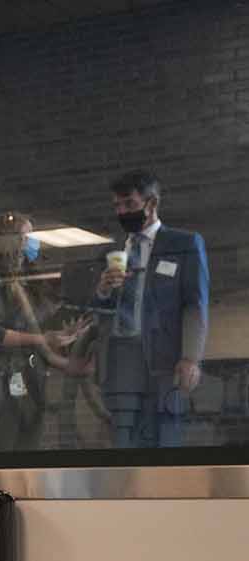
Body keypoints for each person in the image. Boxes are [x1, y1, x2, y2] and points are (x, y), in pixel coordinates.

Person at [91, 170, 210, 448]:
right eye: (117, 206)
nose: (122, 211)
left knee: (164, 442)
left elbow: (195, 304)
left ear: (151, 204)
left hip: (165, 359)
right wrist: (103, 290)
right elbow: (97, 311)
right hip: (120, 358)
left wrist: (191, 357)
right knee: (122, 445)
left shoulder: (184, 244)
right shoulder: (111, 252)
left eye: (129, 204)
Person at [0, 212, 74, 451]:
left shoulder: (22, 281)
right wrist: (41, 339)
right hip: (2, 380)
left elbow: (29, 323)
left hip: (30, 379)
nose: (29, 243)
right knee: (4, 452)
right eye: (25, 237)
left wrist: (59, 334)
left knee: (29, 450)